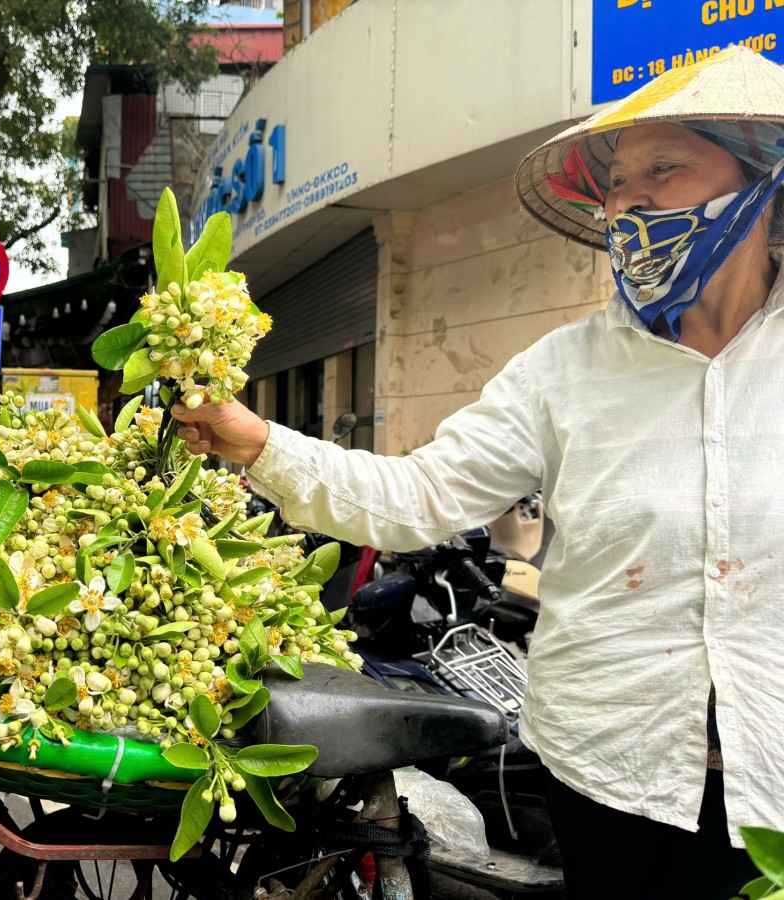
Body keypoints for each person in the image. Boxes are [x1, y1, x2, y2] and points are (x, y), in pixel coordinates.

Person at [173, 47, 782, 900]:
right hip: (615, 776)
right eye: (615, 179)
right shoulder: (563, 372)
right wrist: (258, 444)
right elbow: (421, 494)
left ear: (760, 178)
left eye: (664, 167)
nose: (627, 196)